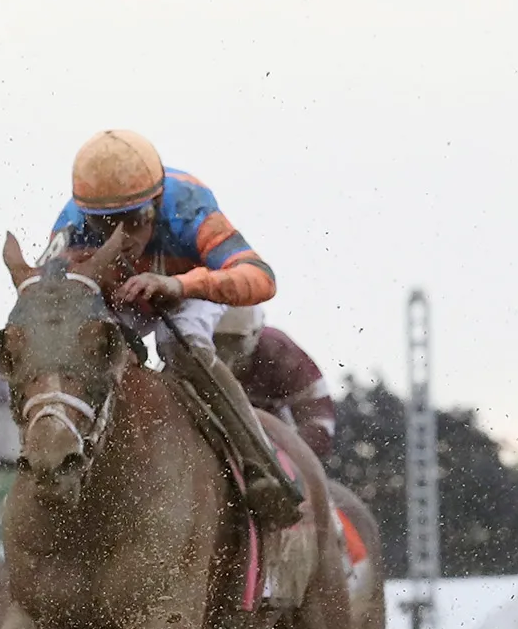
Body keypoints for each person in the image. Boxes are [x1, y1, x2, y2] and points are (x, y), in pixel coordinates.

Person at [49, 129, 304, 528]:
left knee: (179, 347)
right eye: (107, 227)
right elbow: (48, 302)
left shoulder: (188, 206)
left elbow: (260, 277)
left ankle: (263, 467)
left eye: (134, 223)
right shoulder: (71, 225)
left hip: (187, 289)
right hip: (120, 295)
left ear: (156, 204)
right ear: (87, 218)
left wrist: (180, 285)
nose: (123, 239)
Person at [213, 307, 337, 462]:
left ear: (256, 333)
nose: (225, 348)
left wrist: (286, 449)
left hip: (276, 436)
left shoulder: (284, 354)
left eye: (236, 340)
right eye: (217, 339)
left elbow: (319, 419)